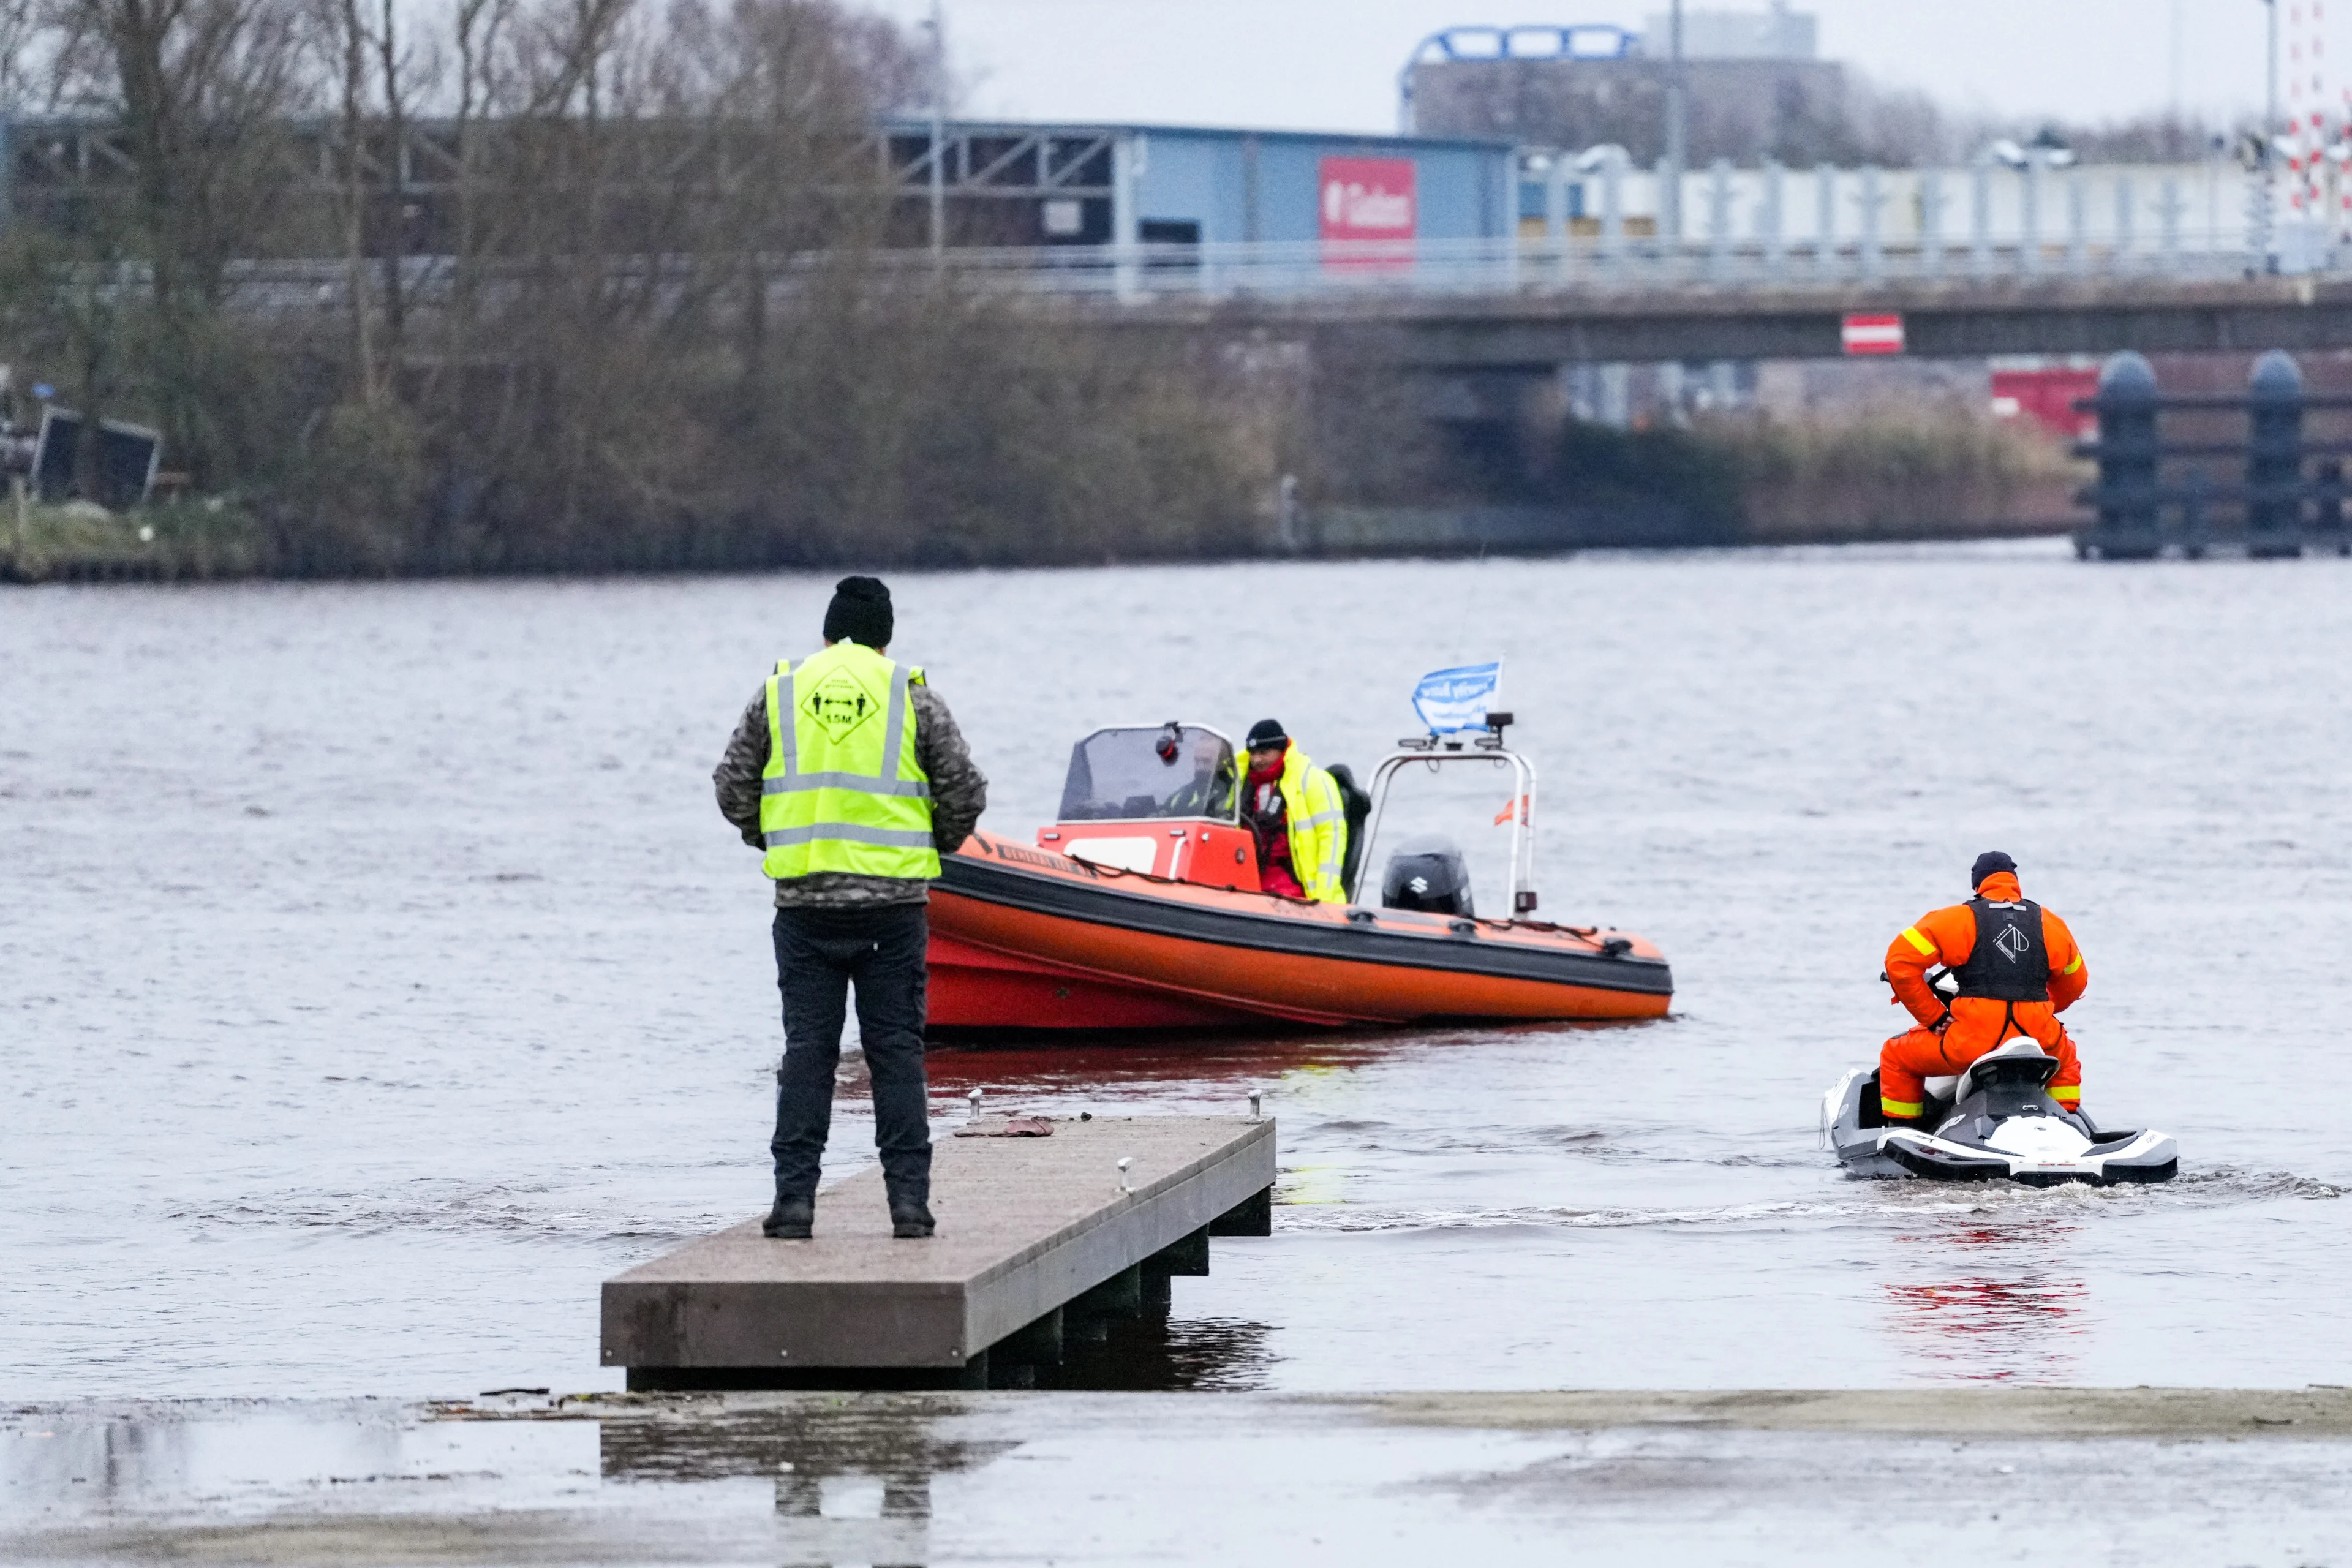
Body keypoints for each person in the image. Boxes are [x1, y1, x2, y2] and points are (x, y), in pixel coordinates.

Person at [713, 576, 987, 1240]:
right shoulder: (911, 693)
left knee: (807, 1050)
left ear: (829, 632)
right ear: (886, 636)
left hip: (805, 904)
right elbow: (962, 789)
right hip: (893, 905)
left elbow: (732, 785)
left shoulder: (779, 691)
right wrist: (933, 843)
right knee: (896, 1050)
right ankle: (910, 1206)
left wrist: (773, 837)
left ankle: (794, 1204)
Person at [1879, 851, 2087, 1125]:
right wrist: (2044, 1008)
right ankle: (2066, 1123)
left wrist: (1934, 1017)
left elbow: (1899, 963)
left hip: (1972, 1042)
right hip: (2037, 1036)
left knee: (1895, 1055)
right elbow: (2077, 981)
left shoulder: (1958, 919)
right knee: (2066, 1059)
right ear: (2014, 881)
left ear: (1977, 884)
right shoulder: (2050, 923)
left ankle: (1903, 1132)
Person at [1237, 718, 1348, 903]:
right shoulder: (1239, 779)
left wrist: (1323, 898)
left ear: (1281, 751)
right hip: (1247, 878)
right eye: (1253, 753)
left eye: (1264, 753)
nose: (1257, 760)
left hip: (1295, 886)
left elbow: (1333, 838)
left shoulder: (1312, 780)